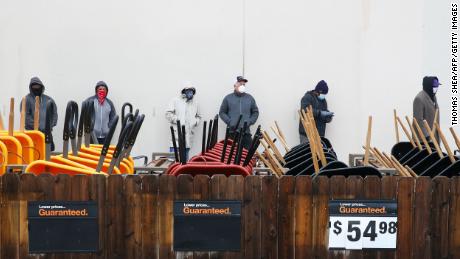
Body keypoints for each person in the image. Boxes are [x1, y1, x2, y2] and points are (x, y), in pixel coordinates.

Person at [219, 76, 259, 149]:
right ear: (235, 85)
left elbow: (255, 112)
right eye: (240, 84)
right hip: (232, 133)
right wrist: (230, 122)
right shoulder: (228, 98)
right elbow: (222, 112)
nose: (242, 86)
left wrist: (250, 122)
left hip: (246, 133)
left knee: (247, 156)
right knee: (230, 157)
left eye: (244, 85)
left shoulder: (250, 98)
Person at [165, 83, 202, 160]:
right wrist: (178, 121)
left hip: (188, 137)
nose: (190, 93)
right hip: (176, 136)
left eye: (192, 91)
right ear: (184, 91)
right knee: (173, 161)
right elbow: (168, 114)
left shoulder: (195, 103)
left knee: (184, 163)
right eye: (188, 91)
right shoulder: (175, 100)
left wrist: (194, 122)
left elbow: (199, 116)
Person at [21, 77, 58, 150]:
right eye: (34, 86)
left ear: (41, 86)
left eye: (38, 86)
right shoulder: (26, 100)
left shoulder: (49, 99)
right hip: (33, 133)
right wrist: (38, 127)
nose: (36, 88)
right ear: (31, 87)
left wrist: (50, 125)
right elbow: (25, 117)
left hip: (47, 132)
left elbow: (54, 114)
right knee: (34, 151)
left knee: (48, 150)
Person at [413, 76, 441, 141]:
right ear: (428, 86)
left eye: (437, 86)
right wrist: (427, 136)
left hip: (434, 136)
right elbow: (418, 120)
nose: (436, 88)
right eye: (434, 86)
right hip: (424, 140)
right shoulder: (419, 99)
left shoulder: (433, 97)